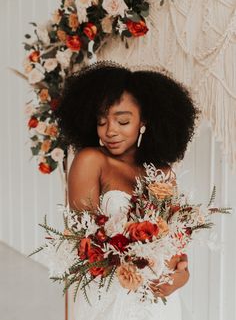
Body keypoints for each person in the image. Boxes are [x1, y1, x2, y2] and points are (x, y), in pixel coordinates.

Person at [57, 61, 200, 320]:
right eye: (102, 121)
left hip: (158, 303)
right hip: (108, 300)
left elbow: (174, 245)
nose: (110, 131)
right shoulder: (91, 161)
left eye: (122, 121)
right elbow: (83, 244)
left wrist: (182, 276)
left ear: (143, 120)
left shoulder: (163, 172)